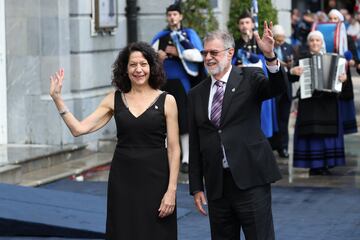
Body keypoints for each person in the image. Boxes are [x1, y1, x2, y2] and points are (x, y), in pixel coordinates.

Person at [49, 42, 180, 239]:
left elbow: (174, 149)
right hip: (123, 179)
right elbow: (79, 129)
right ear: (125, 70)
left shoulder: (167, 101)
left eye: (143, 64)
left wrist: (171, 190)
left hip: (157, 179)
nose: (138, 70)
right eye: (133, 65)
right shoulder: (114, 99)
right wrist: (57, 99)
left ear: (151, 67)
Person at [188, 24, 286, 240]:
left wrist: (270, 56)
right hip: (217, 186)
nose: (209, 58)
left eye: (214, 52)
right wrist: (196, 186)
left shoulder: (250, 77)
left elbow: (278, 88)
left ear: (230, 53)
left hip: (251, 179)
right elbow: (196, 143)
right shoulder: (196, 94)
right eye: (205, 53)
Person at [151, 3, 204, 173]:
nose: (172, 17)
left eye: (175, 14)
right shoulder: (161, 36)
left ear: (180, 16)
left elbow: (199, 55)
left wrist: (178, 52)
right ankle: (166, 156)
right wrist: (157, 57)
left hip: (182, 83)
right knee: (163, 119)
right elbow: (148, 57)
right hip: (163, 83)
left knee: (184, 118)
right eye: (169, 15)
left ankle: (187, 158)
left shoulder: (189, 34)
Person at [290, 31, 347, 176]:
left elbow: (341, 84)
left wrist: (343, 78)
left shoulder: (335, 59)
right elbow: (290, 78)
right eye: (312, 40)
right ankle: (314, 166)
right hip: (309, 103)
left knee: (327, 134)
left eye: (317, 41)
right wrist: (293, 71)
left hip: (328, 103)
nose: (315, 43)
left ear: (322, 43)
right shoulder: (302, 59)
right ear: (308, 43)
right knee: (312, 134)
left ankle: (327, 164)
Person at [328, 9, 360, 134]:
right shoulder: (324, 36)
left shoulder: (347, 38)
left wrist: (352, 62)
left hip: (344, 80)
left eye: (335, 19)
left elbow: (355, 59)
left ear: (341, 21)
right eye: (330, 18)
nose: (332, 21)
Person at [268, 24, 296, 158]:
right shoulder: (269, 48)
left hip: (286, 88)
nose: (280, 42)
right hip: (273, 90)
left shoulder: (288, 47)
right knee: (273, 119)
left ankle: (283, 147)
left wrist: (292, 68)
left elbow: (293, 67)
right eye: (278, 40)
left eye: (282, 39)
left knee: (284, 120)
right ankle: (271, 146)